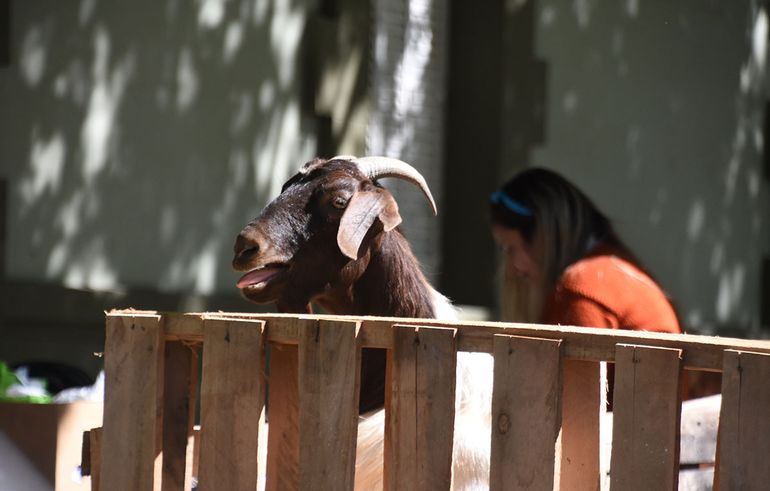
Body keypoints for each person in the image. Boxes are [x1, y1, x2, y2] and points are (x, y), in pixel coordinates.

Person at [488, 167, 682, 335]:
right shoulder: (607, 269)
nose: (510, 269)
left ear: (543, 235)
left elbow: (577, 368)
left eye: (509, 248)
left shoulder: (581, 289)